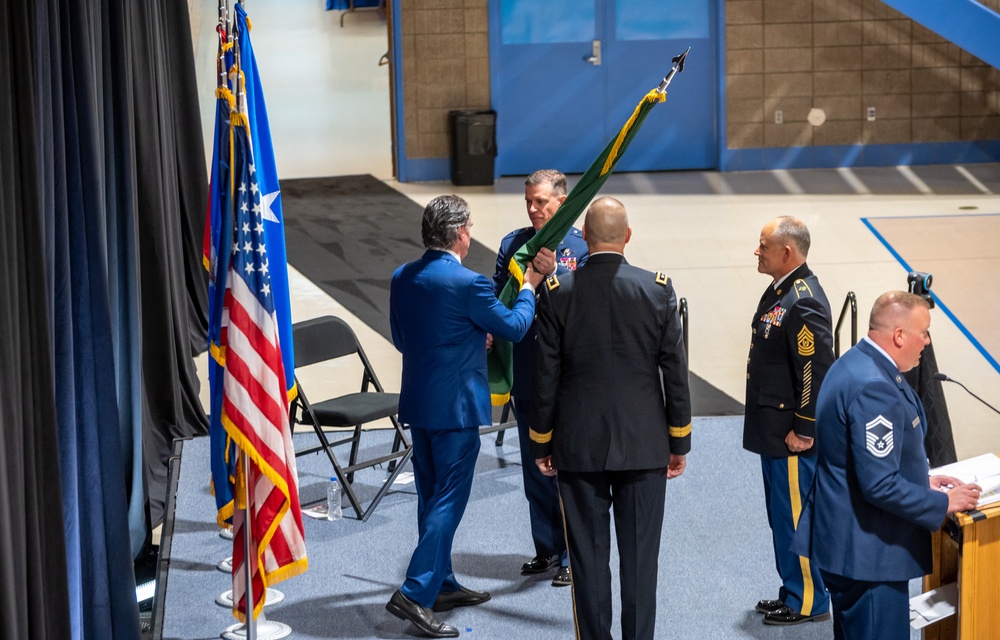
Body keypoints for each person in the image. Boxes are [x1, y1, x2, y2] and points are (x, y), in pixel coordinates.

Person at [530, 196, 691, 640]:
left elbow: (547, 377)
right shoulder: (657, 289)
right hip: (644, 446)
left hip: (578, 446)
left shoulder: (558, 293)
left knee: (587, 559)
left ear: (583, 237)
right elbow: (674, 373)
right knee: (640, 563)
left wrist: (542, 442)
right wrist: (679, 442)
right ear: (628, 236)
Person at [386, 195, 544, 639]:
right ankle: (415, 593)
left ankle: (442, 583)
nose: (471, 234)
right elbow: (513, 326)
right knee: (448, 500)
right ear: (459, 233)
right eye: (470, 227)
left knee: (431, 495)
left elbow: (403, 338)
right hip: (456, 409)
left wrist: (469, 339)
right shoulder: (470, 284)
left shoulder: (402, 277)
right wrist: (529, 285)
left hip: (420, 403)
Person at [793, 291, 981, 640]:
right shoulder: (874, 387)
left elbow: (863, 457)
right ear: (899, 336)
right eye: (923, 332)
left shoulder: (857, 362)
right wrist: (943, 503)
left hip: (847, 540)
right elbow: (878, 484)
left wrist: (920, 480)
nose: (927, 341)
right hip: (868, 555)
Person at [491, 168, 588, 587]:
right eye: (528, 201)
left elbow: (583, 309)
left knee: (566, 467)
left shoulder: (580, 249)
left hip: (568, 377)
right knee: (535, 467)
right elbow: (497, 299)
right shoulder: (513, 244)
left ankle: (573, 554)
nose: (533, 208)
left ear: (562, 202)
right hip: (528, 371)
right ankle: (546, 548)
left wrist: (550, 277)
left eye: (541, 202)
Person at [743, 215, 832, 625]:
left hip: (791, 434)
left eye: (762, 246)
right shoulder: (780, 292)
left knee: (797, 518)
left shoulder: (804, 298)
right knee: (781, 517)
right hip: (773, 431)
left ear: (787, 252)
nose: (756, 252)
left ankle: (809, 599)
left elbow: (814, 369)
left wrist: (805, 427)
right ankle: (791, 590)